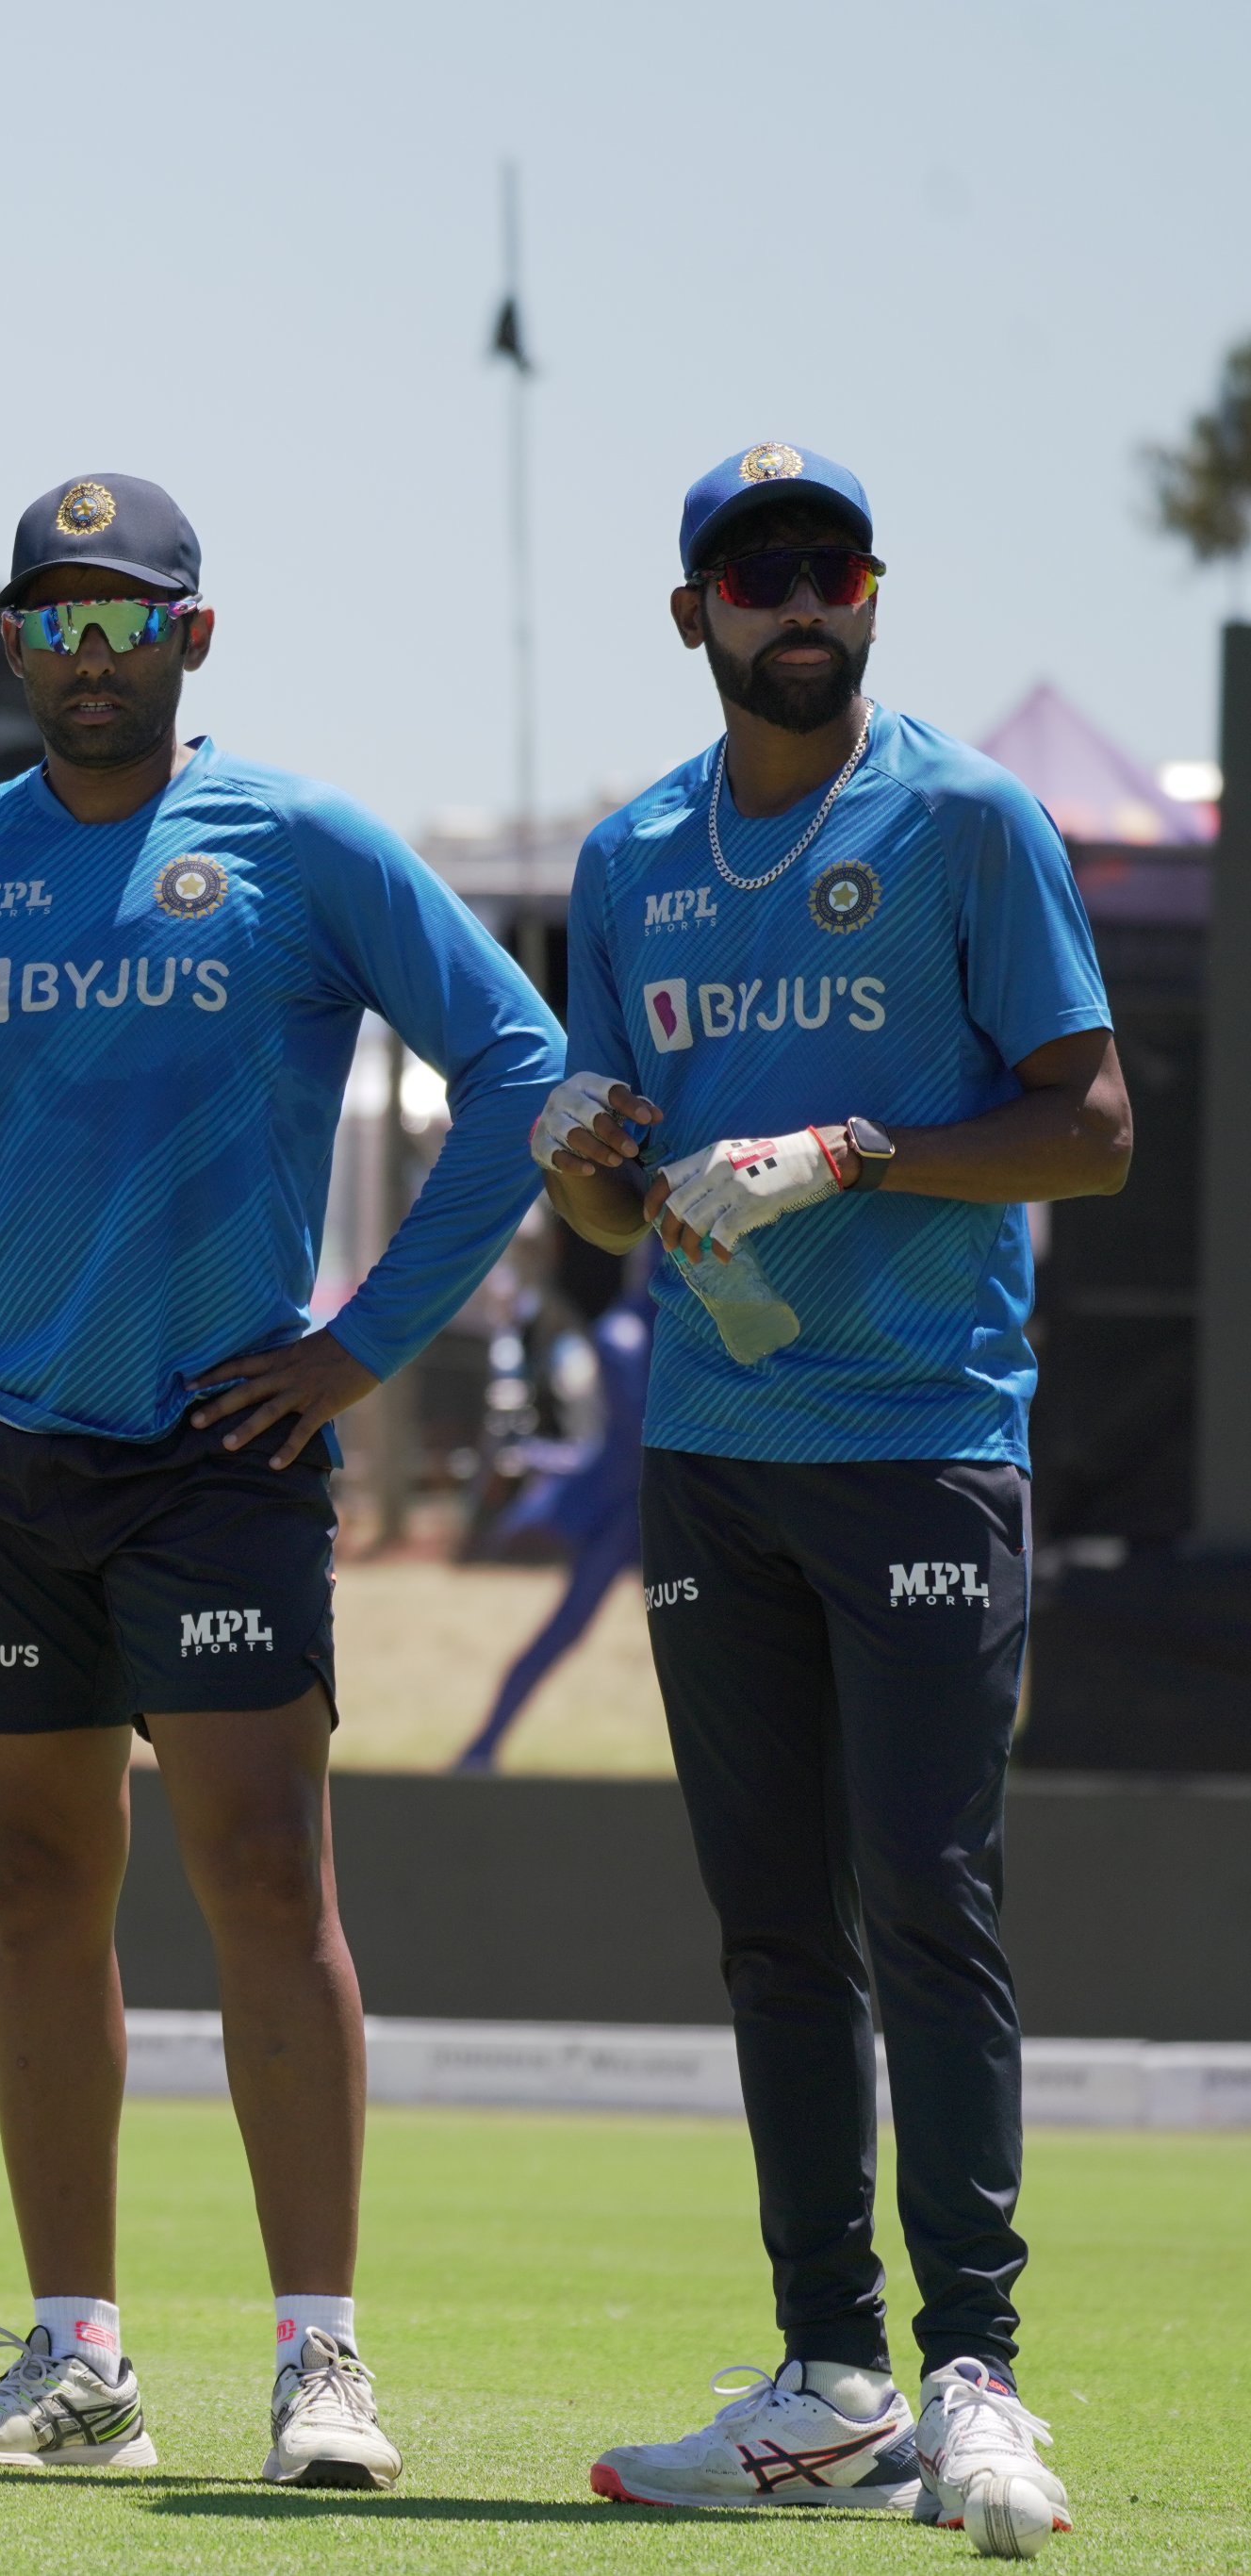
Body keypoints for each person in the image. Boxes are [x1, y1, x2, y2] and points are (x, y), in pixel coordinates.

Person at [0, 472, 561, 2490]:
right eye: (54, 618)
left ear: (192, 640)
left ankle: (319, 2359)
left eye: (127, 619)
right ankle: (78, 2360)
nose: (89, 653)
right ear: (11, 646)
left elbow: (518, 1063)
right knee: (34, 1890)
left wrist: (365, 1342)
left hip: (218, 1451)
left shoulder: (295, 843)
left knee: (265, 1876)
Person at [545, 444, 1122, 2555]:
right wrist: (588, 1161)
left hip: (918, 1444)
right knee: (775, 1932)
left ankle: (973, 2373)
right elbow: (607, 1208)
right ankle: (828, 2375)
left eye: (826, 568)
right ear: (688, 614)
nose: (796, 602)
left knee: (923, 1905)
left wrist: (861, 1148)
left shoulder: (965, 820)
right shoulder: (624, 859)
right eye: (751, 574)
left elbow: (1090, 1135)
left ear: (869, 596)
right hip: (713, 1462)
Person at [452, 1270, 652, 1774]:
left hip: (661, 1509)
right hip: (626, 1515)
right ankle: (482, 1748)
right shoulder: (621, 1337)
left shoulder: (656, 1331)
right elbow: (633, 1442)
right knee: (563, 1632)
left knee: (712, 1642)